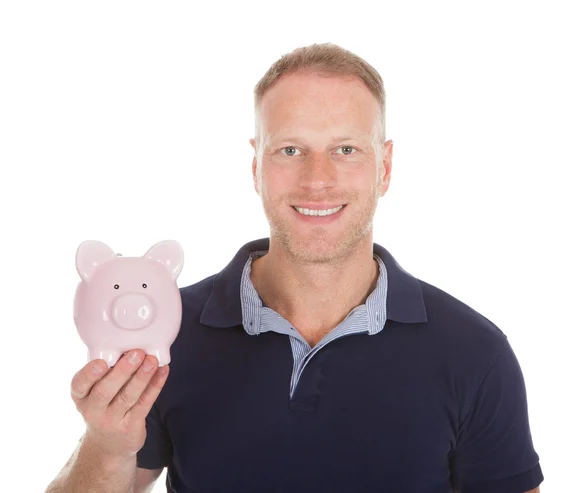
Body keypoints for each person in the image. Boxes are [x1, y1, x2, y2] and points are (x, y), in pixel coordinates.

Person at [45, 43, 544, 493]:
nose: (318, 180)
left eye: (346, 150)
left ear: (385, 168)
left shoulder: (475, 353)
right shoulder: (168, 333)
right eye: (290, 150)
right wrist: (107, 446)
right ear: (257, 165)